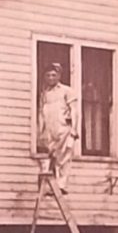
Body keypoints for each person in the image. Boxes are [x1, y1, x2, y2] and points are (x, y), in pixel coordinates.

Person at [38, 63, 78, 193]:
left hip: (63, 128)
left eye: (54, 75)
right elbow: (41, 113)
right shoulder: (44, 93)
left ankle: (62, 185)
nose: (51, 78)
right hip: (50, 130)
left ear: (59, 76)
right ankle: (54, 186)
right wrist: (41, 130)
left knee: (64, 157)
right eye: (48, 75)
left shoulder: (67, 91)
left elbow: (74, 110)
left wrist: (74, 129)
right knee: (53, 157)